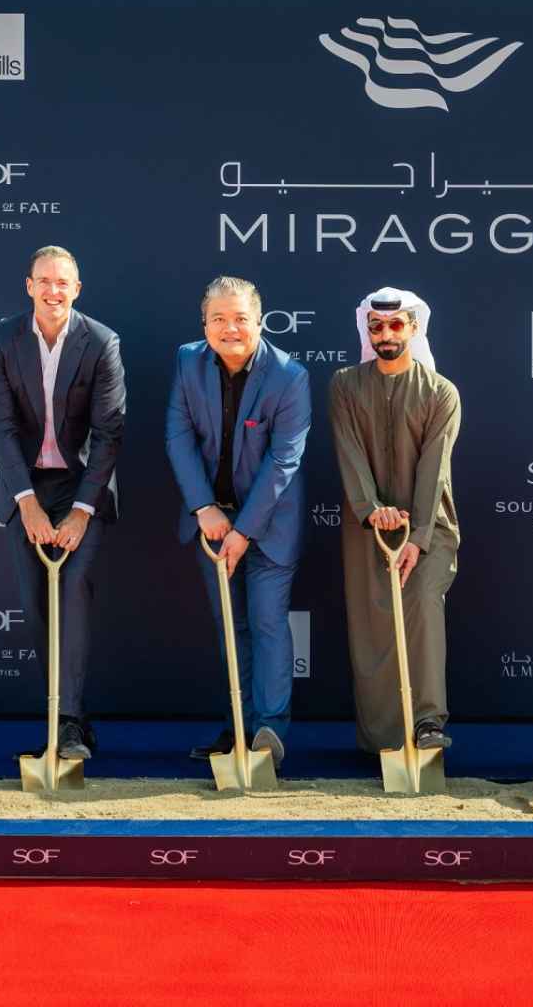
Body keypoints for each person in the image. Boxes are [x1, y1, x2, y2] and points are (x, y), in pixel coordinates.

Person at [0, 244, 124, 762]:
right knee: (38, 608)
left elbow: (109, 433)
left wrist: (83, 510)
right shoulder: (1, 340)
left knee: (74, 597)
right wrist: (27, 503)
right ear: (29, 286)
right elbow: (0, 427)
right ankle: (66, 720)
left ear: (77, 289)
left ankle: (66, 723)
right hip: (26, 489)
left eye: (63, 282)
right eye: (45, 281)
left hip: (83, 487)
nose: (53, 290)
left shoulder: (101, 342)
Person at [164, 275, 311, 767]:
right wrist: (205, 509)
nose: (230, 329)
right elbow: (179, 438)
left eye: (241, 319)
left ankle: (269, 734)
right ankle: (240, 729)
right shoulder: (188, 361)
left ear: (259, 323)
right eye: (219, 319)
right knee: (234, 627)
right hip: (210, 525)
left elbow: (283, 463)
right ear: (204, 323)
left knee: (269, 623)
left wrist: (243, 531)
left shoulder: (290, 376)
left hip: (269, 528)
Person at [329, 287, 461, 754]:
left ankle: (427, 723)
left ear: (414, 327)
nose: (386, 334)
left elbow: (434, 468)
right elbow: (349, 452)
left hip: (429, 528)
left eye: (396, 325)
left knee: (423, 609)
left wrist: (418, 537)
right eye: (376, 327)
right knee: (373, 626)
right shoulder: (345, 383)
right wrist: (371, 511)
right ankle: (384, 738)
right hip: (367, 530)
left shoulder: (440, 392)